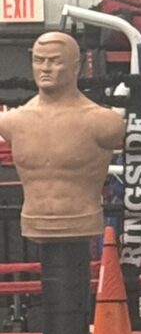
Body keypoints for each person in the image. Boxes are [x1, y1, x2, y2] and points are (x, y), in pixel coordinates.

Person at [0, 32, 124, 241]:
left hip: (82, 220)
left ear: (76, 67)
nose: (45, 68)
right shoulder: (11, 121)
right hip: (32, 221)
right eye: (39, 60)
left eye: (55, 61)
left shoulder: (103, 122)